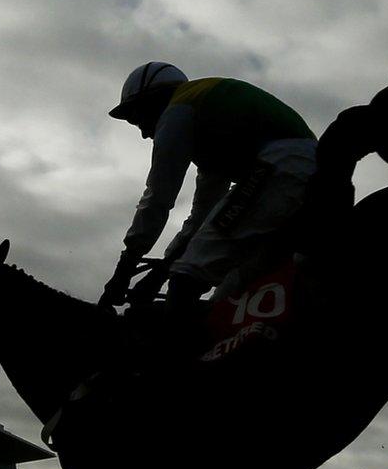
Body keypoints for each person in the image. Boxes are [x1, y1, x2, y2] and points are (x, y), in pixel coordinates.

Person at [99, 62, 318, 324]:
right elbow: (201, 218)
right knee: (233, 290)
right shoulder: (214, 128)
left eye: (138, 120)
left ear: (152, 101)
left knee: (186, 279)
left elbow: (157, 197)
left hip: (282, 167)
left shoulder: (178, 110)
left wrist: (125, 269)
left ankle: (169, 356)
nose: (146, 134)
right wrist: (161, 273)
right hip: (304, 174)